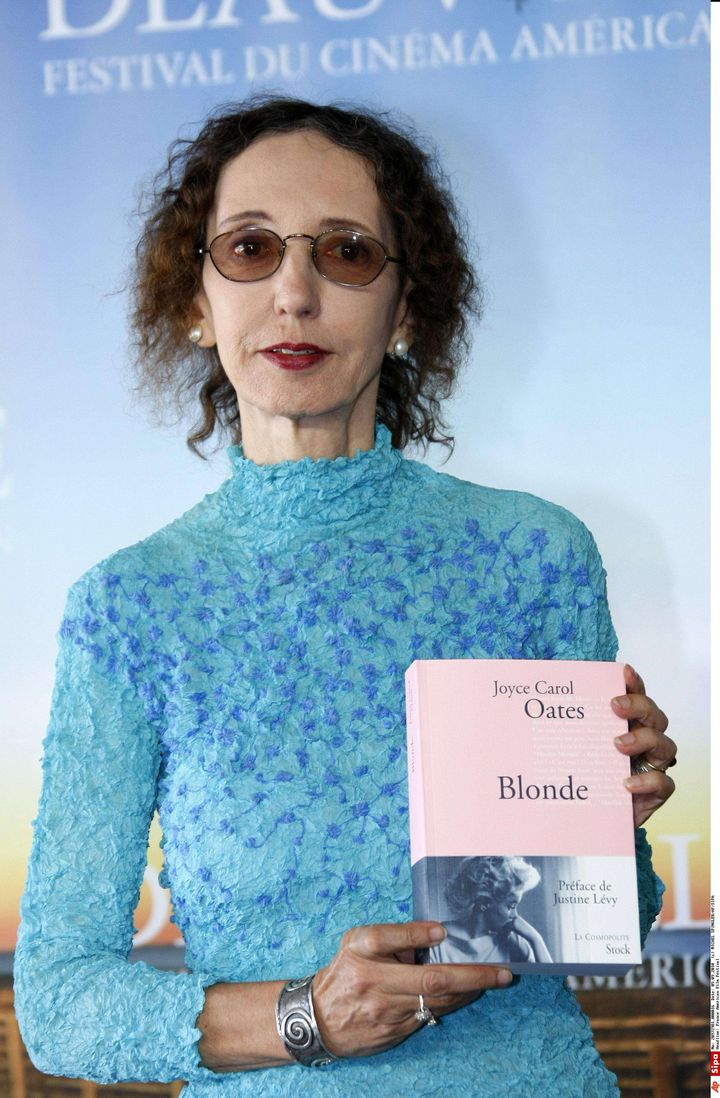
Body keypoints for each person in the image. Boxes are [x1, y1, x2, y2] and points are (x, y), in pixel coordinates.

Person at [14, 96, 678, 1096]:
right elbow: (60, 1006)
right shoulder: (129, 605)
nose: (294, 291)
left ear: (405, 308)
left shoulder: (534, 554)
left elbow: (598, 921)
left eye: (347, 253)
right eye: (249, 248)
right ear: (195, 300)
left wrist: (617, 817)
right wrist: (306, 1018)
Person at [427, 857, 553, 965]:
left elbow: (554, 988)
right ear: (483, 902)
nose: (516, 916)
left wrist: (536, 939)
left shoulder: (514, 944)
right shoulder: (437, 942)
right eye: (510, 906)